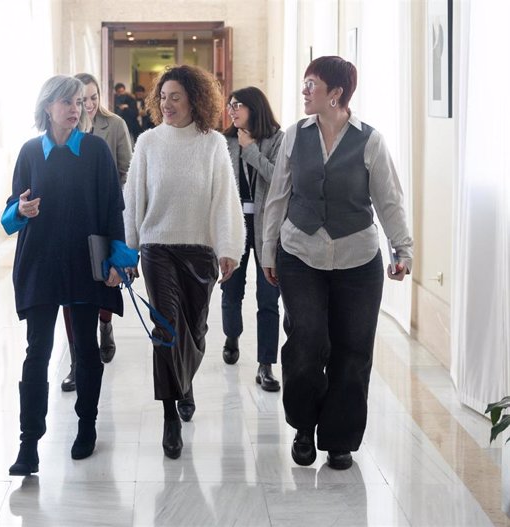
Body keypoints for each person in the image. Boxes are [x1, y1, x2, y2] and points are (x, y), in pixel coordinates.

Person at [261, 56, 413, 471]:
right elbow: (278, 196)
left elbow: (389, 200)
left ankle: (340, 439)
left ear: (336, 94)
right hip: (301, 254)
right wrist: (267, 250)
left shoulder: (370, 141)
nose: (304, 90)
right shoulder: (295, 135)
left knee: (352, 351)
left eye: (312, 84)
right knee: (306, 342)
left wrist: (403, 250)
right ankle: (304, 426)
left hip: (358, 260)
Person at [1, 75, 128, 474]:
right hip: (39, 264)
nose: (76, 108)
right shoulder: (28, 153)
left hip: (83, 265)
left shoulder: (94, 151)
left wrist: (118, 263)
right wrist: (20, 211)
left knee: (86, 349)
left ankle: (86, 426)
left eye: (79, 101)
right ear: (47, 107)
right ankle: (28, 443)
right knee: (36, 352)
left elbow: (113, 210)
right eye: (66, 102)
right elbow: (9, 214)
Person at [123, 64, 245, 459]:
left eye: (176, 96)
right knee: (165, 329)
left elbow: (225, 198)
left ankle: (185, 382)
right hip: (157, 248)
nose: (167, 103)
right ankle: (169, 416)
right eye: (163, 97)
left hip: (200, 251)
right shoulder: (148, 143)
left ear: (194, 99)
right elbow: (133, 201)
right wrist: (129, 250)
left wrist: (229, 247)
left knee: (194, 331)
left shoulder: (211, 145)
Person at [56, 73, 134, 394]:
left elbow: (126, 168)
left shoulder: (114, 125)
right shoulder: (62, 135)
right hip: (69, 229)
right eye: (79, 99)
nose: (86, 105)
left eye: (90, 98)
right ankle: (76, 362)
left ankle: (106, 325)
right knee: (70, 299)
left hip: (104, 217)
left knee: (101, 286)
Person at [220, 86, 284, 392]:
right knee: (232, 289)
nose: (232, 111)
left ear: (254, 108)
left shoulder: (278, 139)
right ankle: (232, 336)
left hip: (267, 227)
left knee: (268, 297)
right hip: (235, 224)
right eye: (230, 106)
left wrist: (252, 151)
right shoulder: (224, 141)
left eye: (238, 105)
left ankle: (265, 365)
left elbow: (280, 178)